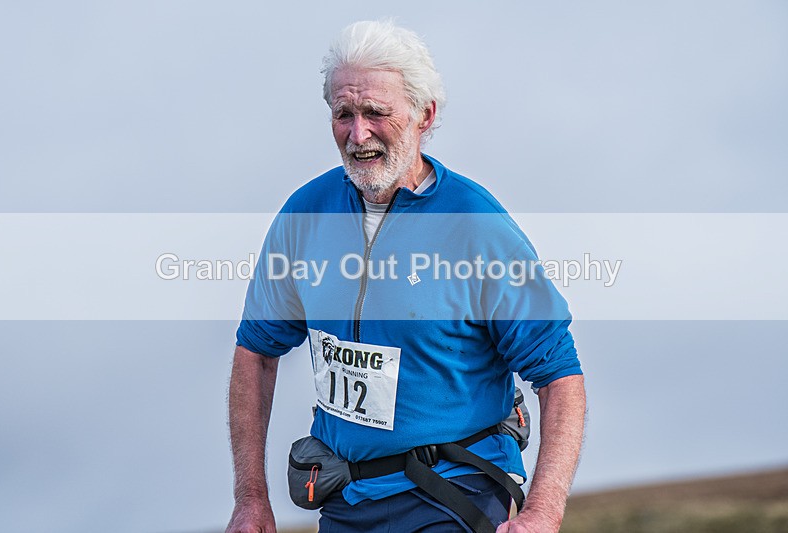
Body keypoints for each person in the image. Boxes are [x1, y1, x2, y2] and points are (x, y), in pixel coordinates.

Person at [226, 20, 585, 533]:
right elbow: (255, 352)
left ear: (425, 115)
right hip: (345, 498)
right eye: (343, 114)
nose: (358, 134)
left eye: (376, 113)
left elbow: (560, 377)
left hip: (455, 492)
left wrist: (544, 512)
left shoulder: (475, 225)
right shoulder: (305, 214)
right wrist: (250, 498)